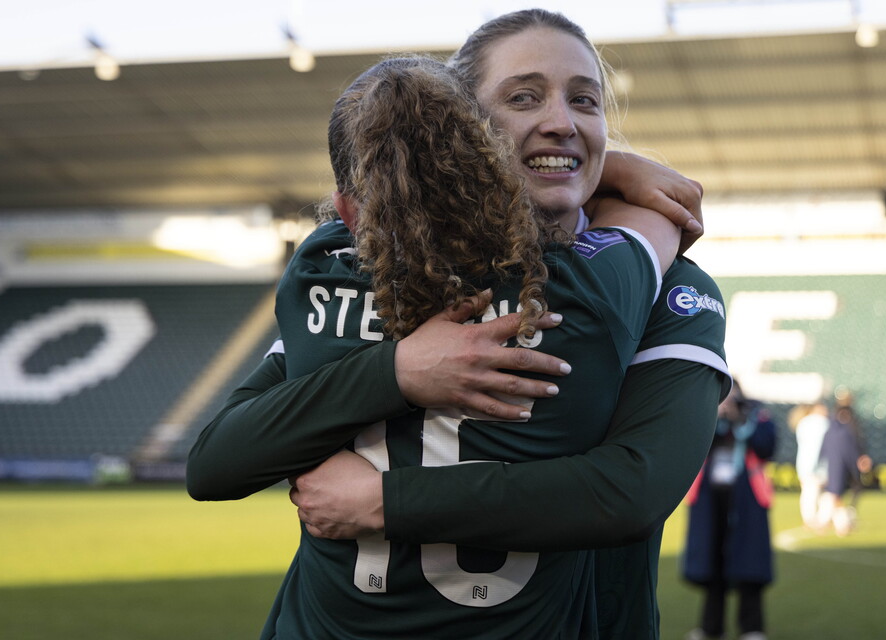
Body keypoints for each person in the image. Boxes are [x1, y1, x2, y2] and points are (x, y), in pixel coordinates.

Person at [188, 9, 730, 639]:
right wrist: (402, 370)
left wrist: (380, 497)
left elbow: (636, 485)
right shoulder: (632, 282)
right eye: (523, 97)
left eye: (586, 101)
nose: (560, 120)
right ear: (460, 129)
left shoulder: (343, 267)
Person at [682, 380, 776, 640]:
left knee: (749, 562)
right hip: (712, 501)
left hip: (747, 501)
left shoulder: (759, 415)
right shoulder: (707, 414)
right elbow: (693, 444)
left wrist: (740, 420)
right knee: (713, 562)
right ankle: (711, 627)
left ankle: (752, 627)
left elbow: (767, 446)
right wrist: (715, 419)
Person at [814, 395, 872, 537]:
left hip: (838, 464)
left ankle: (833, 522)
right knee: (833, 494)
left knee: (833, 494)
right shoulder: (840, 427)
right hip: (836, 465)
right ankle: (838, 523)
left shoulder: (845, 427)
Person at [789, 401, 830, 528]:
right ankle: (818, 520)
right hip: (819, 464)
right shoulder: (821, 423)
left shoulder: (803, 423)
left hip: (805, 464)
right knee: (815, 493)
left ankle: (812, 519)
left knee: (809, 493)